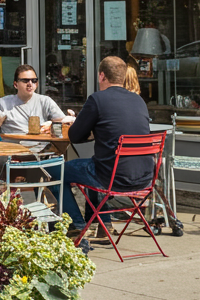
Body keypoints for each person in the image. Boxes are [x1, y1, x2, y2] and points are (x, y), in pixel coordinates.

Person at [59, 56, 153, 235]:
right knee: (97, 162)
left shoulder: (97, 99)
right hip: (144, 178)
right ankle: (102, 224)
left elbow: (74, 136)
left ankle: (77, 226)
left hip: (112, 178)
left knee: (57, 172)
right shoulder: (139, 101)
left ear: (101, 76)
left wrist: (84, 125)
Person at [0, 64, 71, 148]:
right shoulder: (3, 103)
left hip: (40, 153)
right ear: (15, 84)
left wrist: (68, 121)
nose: (30, 84)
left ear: (37, 84)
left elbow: (62, 123)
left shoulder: (45, 101)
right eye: (25, 81)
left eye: (34, 81)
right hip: (12, 152)